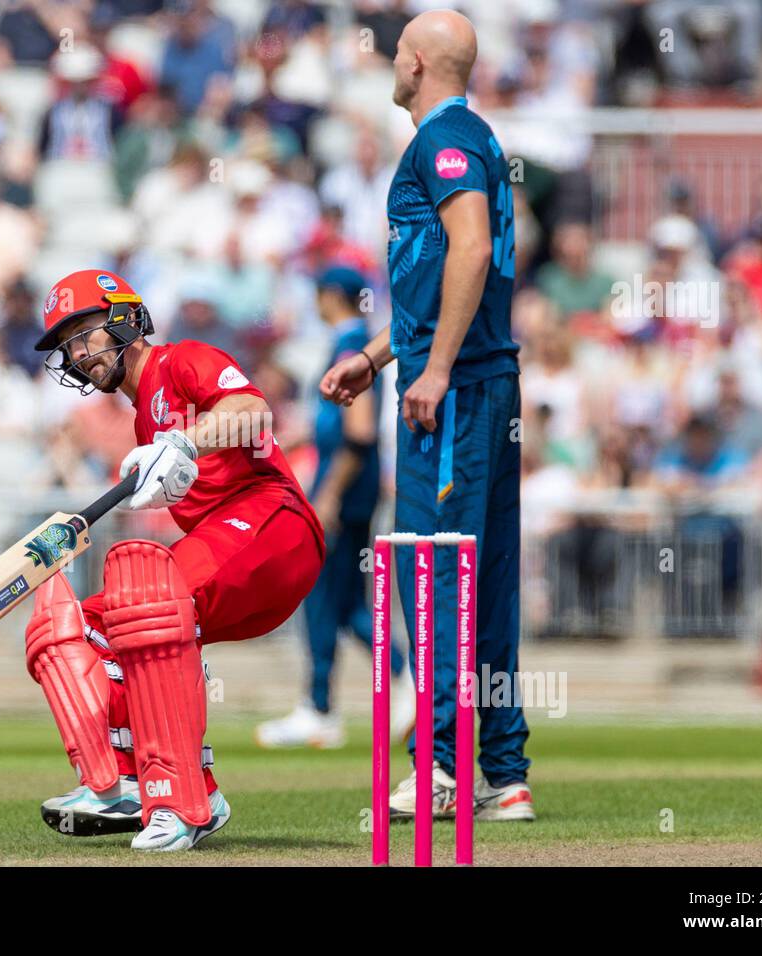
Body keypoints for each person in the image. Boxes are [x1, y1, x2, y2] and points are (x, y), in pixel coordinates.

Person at [320, 11, 533, 824]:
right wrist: (378, 357)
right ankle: (504, 772)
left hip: (459, 392)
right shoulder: (474, 137)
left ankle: (440, 767)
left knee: (434, 573)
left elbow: (471, 248)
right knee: (491, 578)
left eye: (396, 52)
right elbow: (447, 268)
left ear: (413, 62)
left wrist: (433, 369)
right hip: (484, 385)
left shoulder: (442, 141)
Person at [26, 268, 324, 851]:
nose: (78, 354)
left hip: (273, 524)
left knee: (149, 600)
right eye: (68, 346)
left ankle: (177, 798)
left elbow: (252, 410)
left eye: (84, 334)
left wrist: (187, 440)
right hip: (233, 547)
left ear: (124, 319)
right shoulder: (141, 415)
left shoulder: (183, 359)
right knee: (85, 625)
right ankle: (128, 783)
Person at [257, 266, 413, 750]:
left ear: (330, 296)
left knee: (322, 594)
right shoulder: (352, 342)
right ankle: (400, 678)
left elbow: (359, 432)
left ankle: (322, 705)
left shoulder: (350, 346)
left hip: (342, 488)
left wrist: (329, 494)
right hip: (350, 486)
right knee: (344, 602)